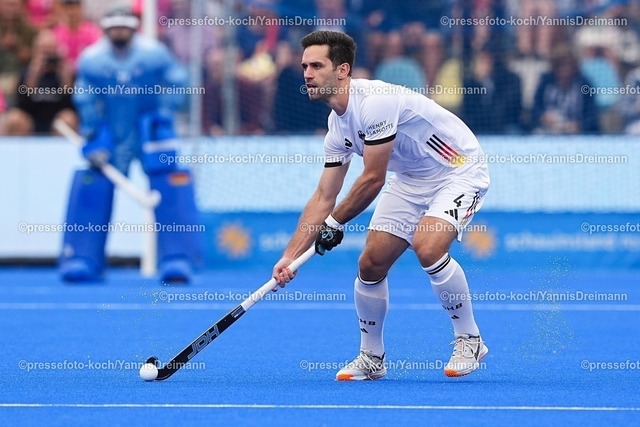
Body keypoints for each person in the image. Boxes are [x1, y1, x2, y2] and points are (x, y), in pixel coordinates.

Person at [272, 30, 489, 381]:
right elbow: (324, 196)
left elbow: (373, 179)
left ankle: (470, 339)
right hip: (411, 178)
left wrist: (335, 223)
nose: (307, 74)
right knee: (370, 263)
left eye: (316, 66)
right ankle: (372, 358)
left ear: (342, 70)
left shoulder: (375, 102)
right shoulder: (336, 126)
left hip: (458, 169)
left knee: (428, 246)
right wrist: (291, 255)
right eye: (304, 67)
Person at [59, 4, 202, 283]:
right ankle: (82, 256)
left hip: (149, 128)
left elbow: (178, 81)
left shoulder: (154, 53)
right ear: (105, 30)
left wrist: (164, 112)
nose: (119, 32)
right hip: (111, 130)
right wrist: (91, 130)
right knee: (94, 183)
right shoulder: (92, 59)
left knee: (169, 182)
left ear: (134, 28)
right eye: (114, 27)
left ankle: (178, 257)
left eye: (124, 27)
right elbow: (85, 95)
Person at [2, 29, 77, 135]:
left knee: (68, 118)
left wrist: (66, 81)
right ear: (35, 51)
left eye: (51, 50)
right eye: (43, 50)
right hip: (31, 119)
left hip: (57, 119)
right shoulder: (26, 73)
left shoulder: (65, 73)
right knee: (15, 119)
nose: (47, 55)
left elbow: (72, 105)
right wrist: (33, 77)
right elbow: (20, 105)